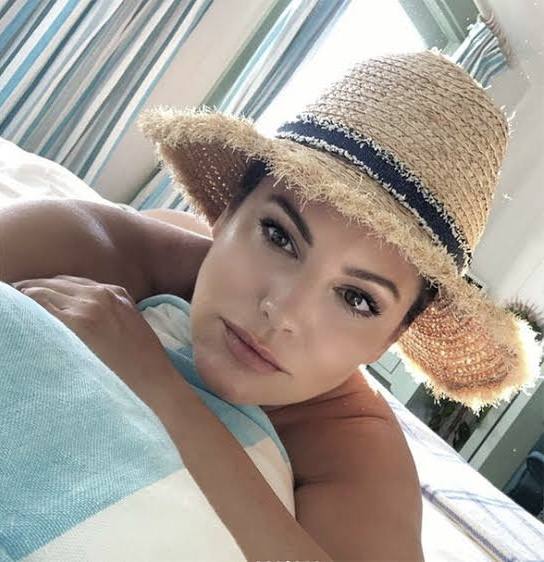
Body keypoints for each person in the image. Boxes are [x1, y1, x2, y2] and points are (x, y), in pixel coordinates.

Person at [2, 50, 540, 561]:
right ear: (226, 213)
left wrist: (159, 387)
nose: (283, 312)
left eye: (356, 298)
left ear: (391, 337)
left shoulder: (357, 448)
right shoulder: (121, 246)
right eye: (279, 236)